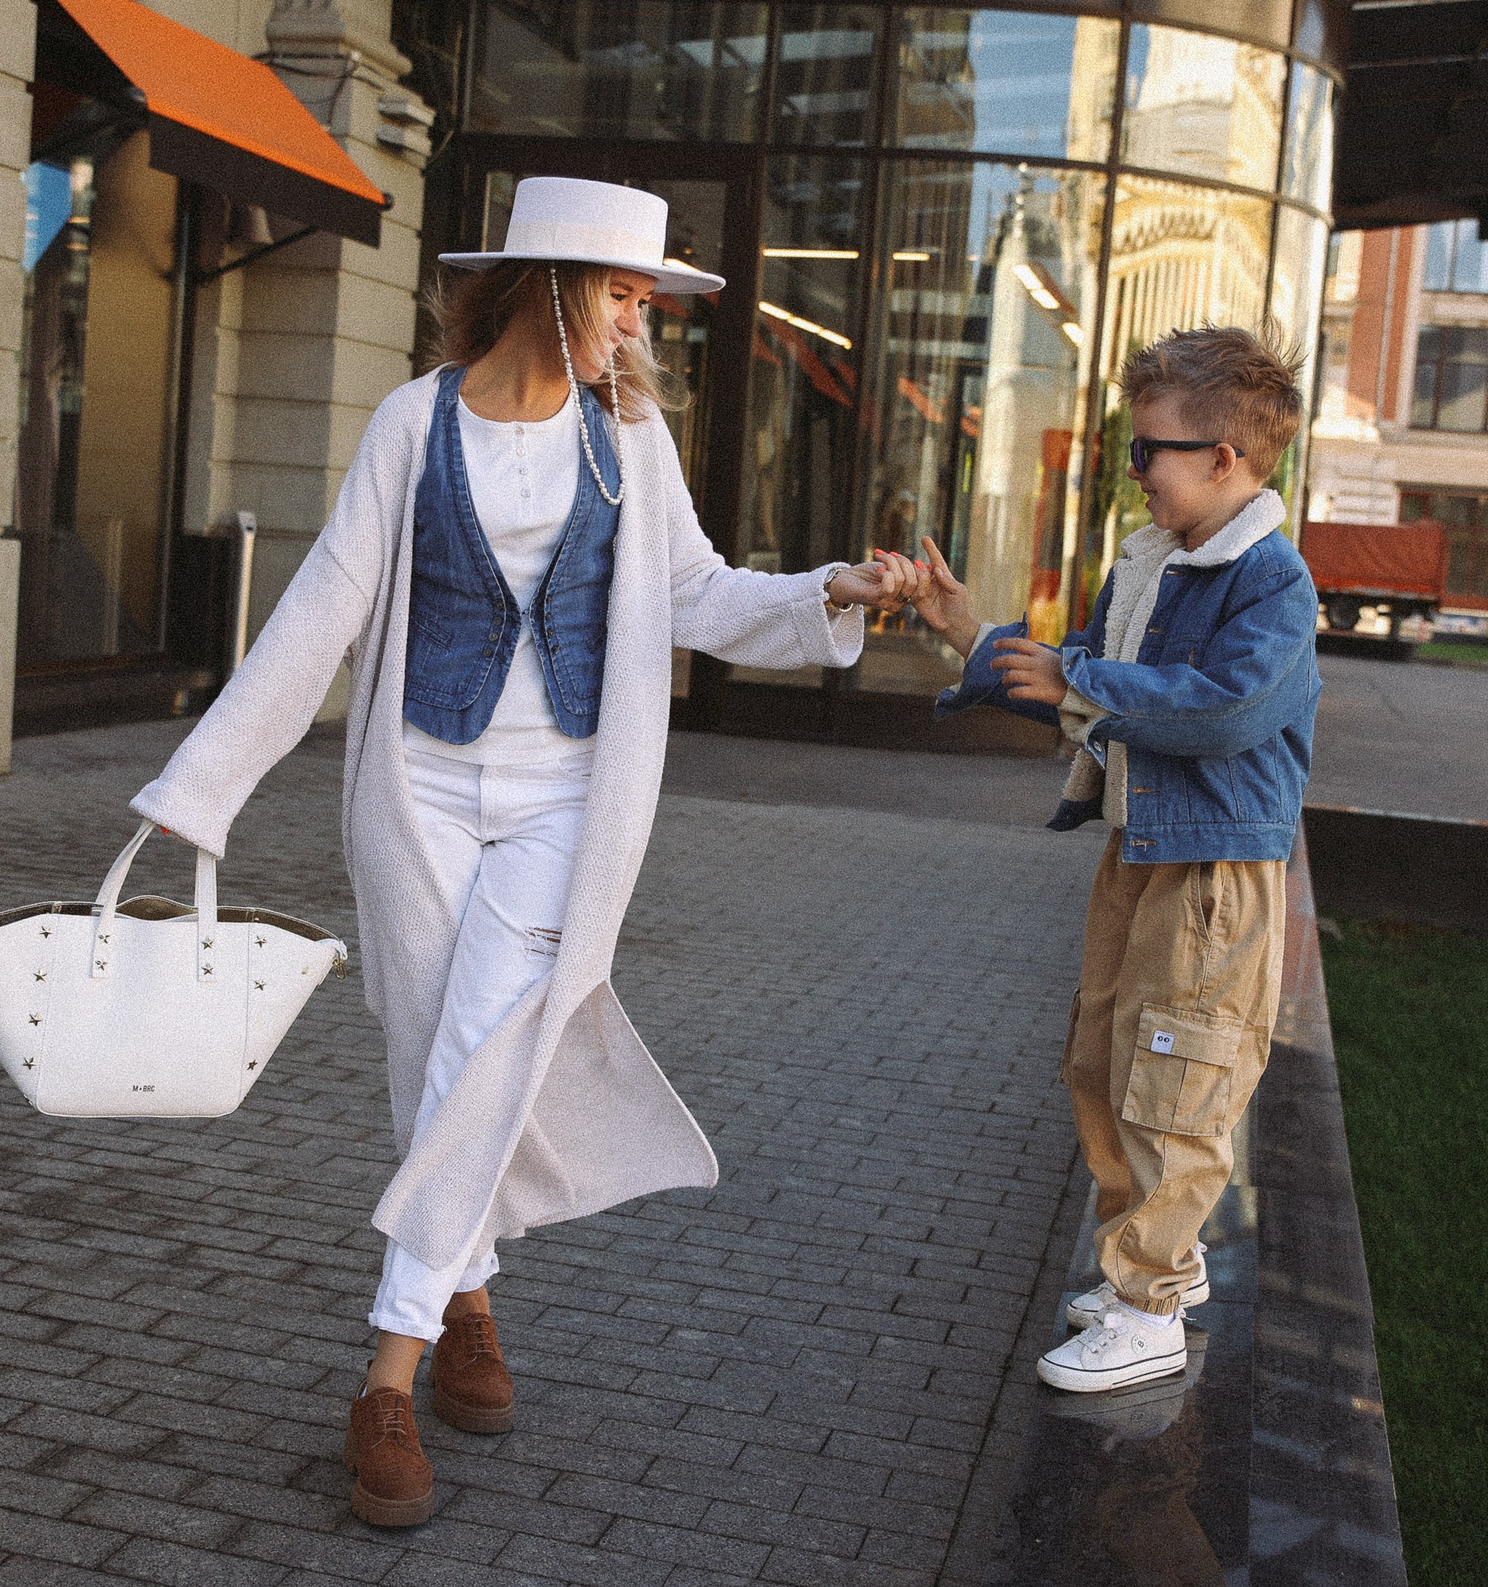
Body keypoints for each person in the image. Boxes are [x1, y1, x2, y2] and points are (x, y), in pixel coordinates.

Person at [125, 178, 920, 1526]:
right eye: (619, 290)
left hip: (563, 800)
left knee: (493, 1042)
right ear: (549, 281)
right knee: (430, 1048)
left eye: (643, 298)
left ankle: (389, 1370)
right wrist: (197, 787)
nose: (637, 317)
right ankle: (472, 1293)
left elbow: (695, 592)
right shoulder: (408, 422)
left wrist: (827, 592)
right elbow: (324, 605)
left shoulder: (629, 439)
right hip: (419, 790)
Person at [894, 326, 1319, 1394]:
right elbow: (1071, 675)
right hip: (1141, 850)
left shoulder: (1270, 581)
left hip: (1212, 872)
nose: (1135, 472)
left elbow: (1223, 709)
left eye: (1150, 452)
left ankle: (1150, 1299)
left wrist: (1085, 683)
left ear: (1225, 456)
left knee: (1178, 1079)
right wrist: (967, 633)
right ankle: (1144, 1261)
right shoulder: (1155, 564)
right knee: (1103, 1063)